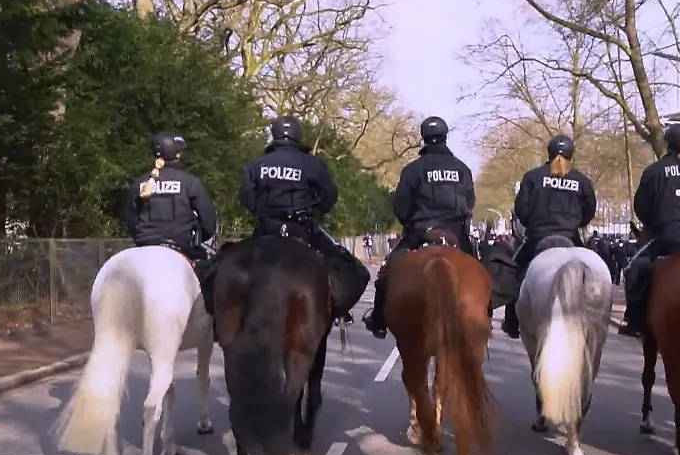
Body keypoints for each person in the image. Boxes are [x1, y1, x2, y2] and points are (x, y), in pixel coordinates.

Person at [202, 116, 365, 323]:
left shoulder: (256, 164)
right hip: (303, 229)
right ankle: (337, 310)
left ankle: (217, 316)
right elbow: (330, 196)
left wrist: (259, 211)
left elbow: (246, 197)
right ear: (298, 135)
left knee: (216, 267)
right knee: (354, 271)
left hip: (266, 228)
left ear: (274, 134)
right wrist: (316, 212)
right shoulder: (313, 164)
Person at [363, 116, 476, 339]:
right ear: (445, 136)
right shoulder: (462, 169)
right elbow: (470, 201)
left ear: (424, 138)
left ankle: (378, 320)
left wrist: (411, 223)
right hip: (455, 233)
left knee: (387, 273)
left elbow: (401, 204)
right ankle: (485, 314)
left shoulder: (413, 169)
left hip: (421, 233)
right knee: (480, 271)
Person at [619, 123, 680, 337]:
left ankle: (634, 320)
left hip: (668, 236)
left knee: (633, 269)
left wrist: (656, 222)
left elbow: (642, 208)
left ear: (667, 144)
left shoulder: (654, 171)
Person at [501, 134, 597, 339]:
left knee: (513, 271)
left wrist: (533, 224)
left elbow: (521, 209)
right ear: (572, 155)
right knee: (594, 273)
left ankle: (512, 322)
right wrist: (575, 223)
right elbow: (589, 211)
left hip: (537, 238)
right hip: (570, 238)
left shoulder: (533, 177)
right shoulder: (582, 181)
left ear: (549, 152)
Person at [124, 132, 218, 263]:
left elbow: (130, 219)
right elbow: (208, 222)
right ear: (177, 155)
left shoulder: (139, 183)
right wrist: (197, 240)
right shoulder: (190, 183)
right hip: (182, 247)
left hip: (144, 246)